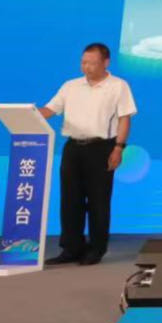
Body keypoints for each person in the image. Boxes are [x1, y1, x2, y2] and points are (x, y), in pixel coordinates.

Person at [39, 42, 136, 265]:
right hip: (73, 148)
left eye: (92, 63)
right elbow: (50, 109)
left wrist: (119, 148)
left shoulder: (118, 86)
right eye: (83, 62)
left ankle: (96, 248)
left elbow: (124, 118)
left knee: (98, 200)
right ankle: (71, 248)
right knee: (70, 199)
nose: (86, 67)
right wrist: (28, 114)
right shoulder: (71, 86)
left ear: (106, 62)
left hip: (102, 148)